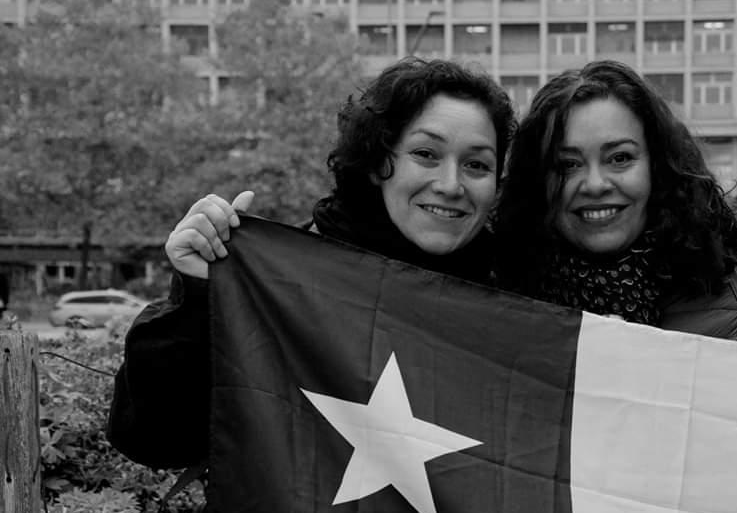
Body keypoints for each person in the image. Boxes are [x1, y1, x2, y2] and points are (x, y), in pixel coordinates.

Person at [107, 57, 516, 469]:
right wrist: (200, 299)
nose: (451, 184)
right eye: (426, 154)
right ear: (378, 163)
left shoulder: (517, 302)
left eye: (476, 165)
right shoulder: (284, 283)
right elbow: (154, 441)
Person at [493, 60, 737, 359]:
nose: (595, 184)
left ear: (657, 165)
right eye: (568, 165)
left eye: (619, 158)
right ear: (537, 180)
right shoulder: (499, 285)